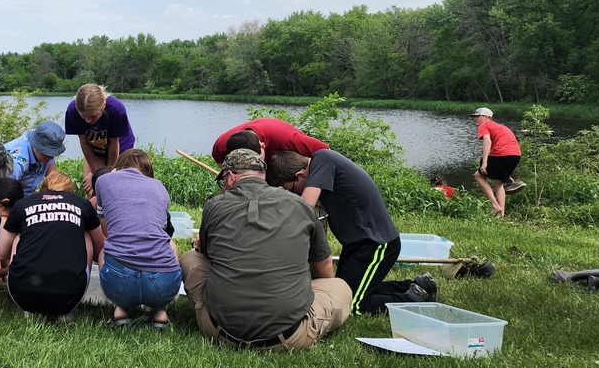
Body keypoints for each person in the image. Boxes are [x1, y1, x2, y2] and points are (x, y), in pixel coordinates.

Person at [180, 148, 352, 352]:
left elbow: (207, 256)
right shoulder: (300, 204)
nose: (223, 187)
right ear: (262, 176)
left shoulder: (214, 206)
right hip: (291, 336)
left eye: (223, 181)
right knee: (341, 287)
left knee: (190, 257)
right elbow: (324, 268)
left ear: (232, 177)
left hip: (221, 331)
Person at [267, 149, 437, 316]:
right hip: (357, 246)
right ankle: (415, 286)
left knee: (352, 305)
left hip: (376, 244)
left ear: (300, 175)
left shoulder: (322, 159)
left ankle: (412, 301)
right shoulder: (321, 165)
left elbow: (304, 207)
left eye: (292, 190)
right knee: (342, 293)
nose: (296, 195)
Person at [0, 171, 105, 318]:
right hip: (68, 297)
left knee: (20, 234)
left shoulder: (22, 204)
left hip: (23, 294)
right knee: (85, 234)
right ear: (69, 192)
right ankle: (68, 305)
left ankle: (30, 309)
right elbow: (101, 248)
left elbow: (0, 254)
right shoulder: (82, 205)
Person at [95, 149, 181, 329]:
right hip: (162, 287)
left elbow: (107, 232)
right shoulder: (160, 187)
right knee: (169, 242)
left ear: (117, 167)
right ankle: (160, 311)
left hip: (120, 286)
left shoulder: (103, 181)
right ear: (148, 172)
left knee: (106, 248)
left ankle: (120, 309)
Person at [65, 83, 135, 197]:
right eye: (83, 117)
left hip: (120, 148)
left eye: (92, 116)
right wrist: (94, 173)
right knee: (91, 189)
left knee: (114, 188)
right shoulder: (72, 111)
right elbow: (84, 142)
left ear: (103, 105)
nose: (87, 121)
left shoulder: (116, 110)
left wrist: (109, 175)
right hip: (95, 148)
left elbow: (114, 144)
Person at [470, 108, 522, 217]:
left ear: (487, 117)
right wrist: (506, 173)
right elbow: (506, 145)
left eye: (478, 116)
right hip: (516, 155)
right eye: (474, 116)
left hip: (501, 154)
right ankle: (501, 215)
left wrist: (484, 162)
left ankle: (495, 205)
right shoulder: (502, 127)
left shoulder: (484, 125)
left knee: (478, 176)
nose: (475, 119)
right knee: (498, 183)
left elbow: (487, 141)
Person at [211, 117, 328, 165]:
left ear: (262, 146)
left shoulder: (288, 140)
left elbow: (327, 154)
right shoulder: (222, 145)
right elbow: (221, 165)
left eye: (255, 163)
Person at [4, 120, 67, 197]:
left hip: (27, 194)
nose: (50, 158)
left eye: (53, 154)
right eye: (46, 153)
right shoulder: (17, 163)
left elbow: (53, 180)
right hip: (9, 196)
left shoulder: (47, 140)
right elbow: (4, 194)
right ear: (35, 145)